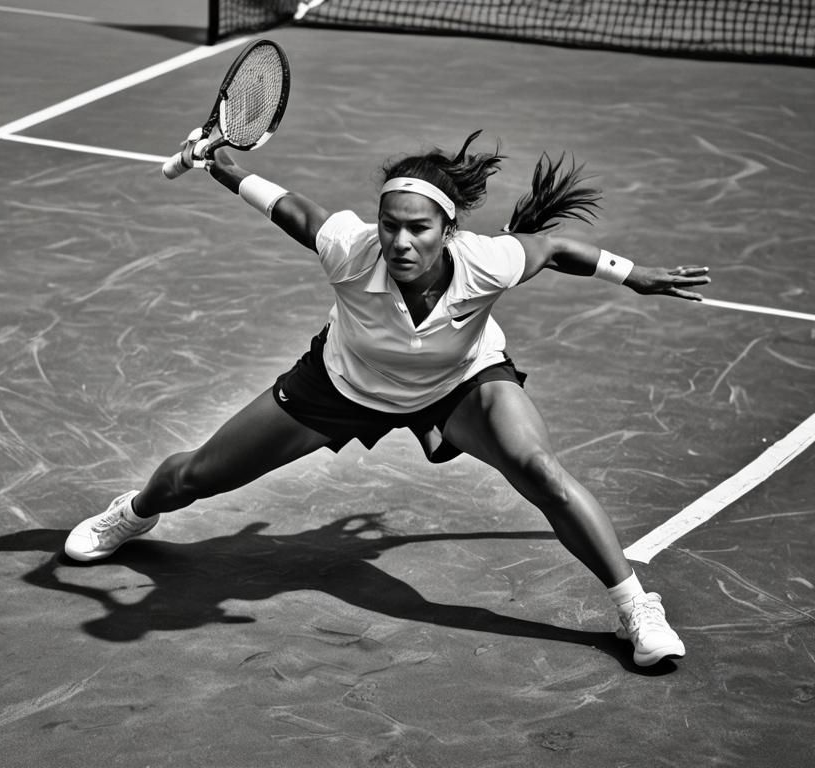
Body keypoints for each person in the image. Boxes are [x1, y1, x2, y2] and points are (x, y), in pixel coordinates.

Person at [64, 131, 710, 667]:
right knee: (197, 474)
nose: (401, 243)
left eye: (418, 230)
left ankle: (634, 609)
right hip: (343, 387)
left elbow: (556, 247)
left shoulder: (488, 261)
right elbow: (289, 208)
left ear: (448, 229)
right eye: (390, 225)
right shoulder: (351, 249)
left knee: (540, 469)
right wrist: (223, 165)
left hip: (459, 386)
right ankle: (134, 511)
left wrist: (634, 277)